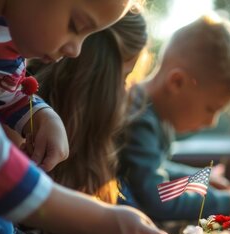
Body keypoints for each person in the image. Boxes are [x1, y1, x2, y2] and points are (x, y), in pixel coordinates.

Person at [0, 0, 173, 234]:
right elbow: (157, 193)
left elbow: (3, 87)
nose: (76, 50)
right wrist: (97, 221)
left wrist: (42, 113)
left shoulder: (0, 33)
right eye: (75, 26)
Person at [118, 15, 230, 221]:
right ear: (177, 82)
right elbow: (160, 199)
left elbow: (157, 167)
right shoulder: (139, 118)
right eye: (211, 108)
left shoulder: (154, 113)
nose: (212, 122)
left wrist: (199, 178)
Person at [33, 10, 149, 204]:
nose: (125, 92)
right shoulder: (21, 115)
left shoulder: (87, 145)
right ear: (98, 75)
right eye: (123, 78)